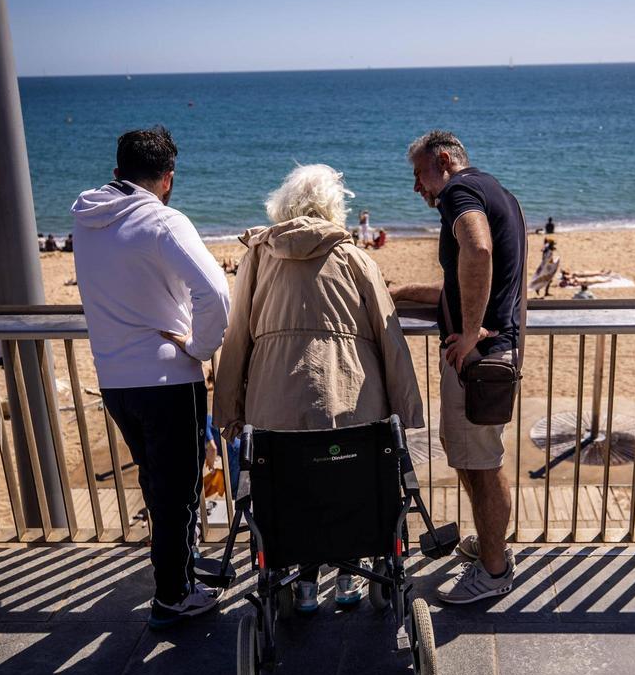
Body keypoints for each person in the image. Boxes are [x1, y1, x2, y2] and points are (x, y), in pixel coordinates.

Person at [213, 164, 423, 613]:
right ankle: (349, 575)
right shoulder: (354, 258)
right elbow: (390, 338)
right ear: (335, 207)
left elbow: (236, 338)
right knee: (348, 481)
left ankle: (303, 583)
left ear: (282, 206)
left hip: (274, 405)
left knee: (291, 487)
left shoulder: (258, 256)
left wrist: (227, 410)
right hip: (351, 400)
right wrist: (407, 408)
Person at [72, 125, 231, 629]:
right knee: (179, 490)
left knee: (158, 485)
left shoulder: (86, 221)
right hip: (166, 380)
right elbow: (217, 296)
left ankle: (179, 569)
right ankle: (174, 595)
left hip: (115, 380)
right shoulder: (163, 222)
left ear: (117, 172)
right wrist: (200, 349)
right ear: (167, 177)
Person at [390, 130, 525, 604]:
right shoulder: (495, 190)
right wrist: (401, 292)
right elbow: (461, 282)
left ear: (443, 160)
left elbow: (479, 250)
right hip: (488, 355)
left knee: (482, 467)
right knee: (475, 460)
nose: (417, 188)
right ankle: (493, 548)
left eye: (419, 174)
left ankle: (493, 571)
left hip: (479, 359)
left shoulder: (459, 191)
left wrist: (469, 333)